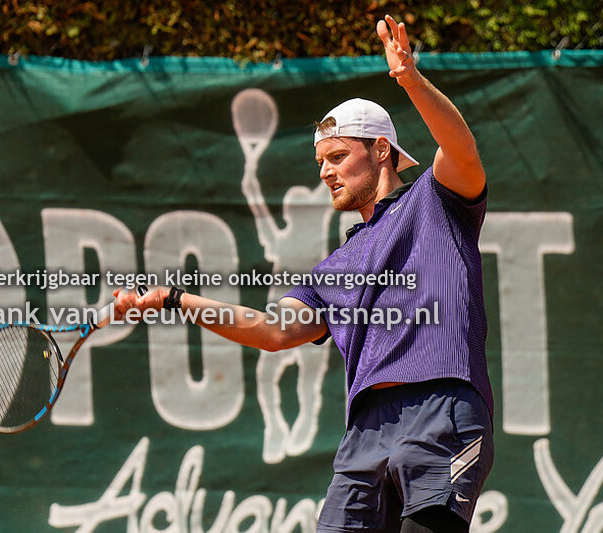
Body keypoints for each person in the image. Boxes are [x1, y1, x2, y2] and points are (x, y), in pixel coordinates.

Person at [114, 14, 493, 533]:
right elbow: (273, 330)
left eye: (338, 157)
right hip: (365, 430)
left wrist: (409, 78)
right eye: (321, 162)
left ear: (381, 150)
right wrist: (176, 298)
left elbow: (462, 150)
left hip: (440, 408)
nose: (325, 172)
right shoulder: (334, 268)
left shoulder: (437, 201)